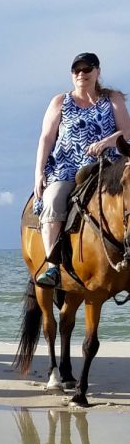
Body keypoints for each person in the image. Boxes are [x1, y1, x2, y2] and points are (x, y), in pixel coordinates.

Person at [33, 52, 130, 287]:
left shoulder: (112, 98)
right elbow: (46, 138)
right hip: (67, 165)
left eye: (87, 69)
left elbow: (126, 132)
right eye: (77, 70)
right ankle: (53, 267)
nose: (81, 74)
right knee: (54, 200)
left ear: (97, 72)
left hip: (108, 166)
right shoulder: (60, 101)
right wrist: (38, 173)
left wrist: (107, 142)